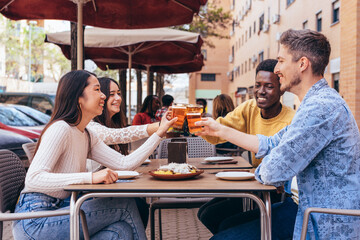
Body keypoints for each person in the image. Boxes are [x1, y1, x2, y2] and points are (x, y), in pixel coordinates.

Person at [196, 29, 360, 239]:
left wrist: (268, 164)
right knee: (226, 224)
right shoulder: (316, 103)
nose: (277, 68)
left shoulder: (321, 108)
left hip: (323, 221)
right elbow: (272, 142)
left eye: (281, 61)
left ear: (302, 64)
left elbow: (273, 172)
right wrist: (219, 129)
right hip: (304, 208)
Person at [12, 70, 177, 240]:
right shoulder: (60, 129)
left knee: (121, 231)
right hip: (34, 220)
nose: (104, 96)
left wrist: (160, 133)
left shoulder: (86, 134)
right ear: (78, 98)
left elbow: (124, 164)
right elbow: (34, 178)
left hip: (63, 210)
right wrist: (90, 177)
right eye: (97, 90)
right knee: (125, 205)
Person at [198, 59, 296, 235]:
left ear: (281, 89)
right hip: (253, 185)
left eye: (269, 86)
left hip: (275, 192)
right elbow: (220, 130)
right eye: (257, 85)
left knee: (223, 224)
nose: (261, 91)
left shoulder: (291, 119)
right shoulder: (249, 108)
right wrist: (200, 127)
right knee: (206, 214)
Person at [88, 77, 160, 228]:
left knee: (139, 201)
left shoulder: (110, 124)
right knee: (137, 203)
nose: (118, 98)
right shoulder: (92, 127)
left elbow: (122, 162)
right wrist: (159, 128)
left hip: (104, 189)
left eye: (119, 93)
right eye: (112, 94)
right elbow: (122, 134)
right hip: (89, 195)